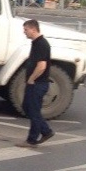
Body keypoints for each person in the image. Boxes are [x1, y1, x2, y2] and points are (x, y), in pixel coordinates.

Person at [16, 19, 55, 147]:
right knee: (28, 108)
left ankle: (32, 140)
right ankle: (46, 131)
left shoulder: (41, 44)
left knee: (33, 110)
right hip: (35, 83)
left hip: (37, 84)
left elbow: (42, 66)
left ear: (33, 29)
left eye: (26, 29)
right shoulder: (36, 43)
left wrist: (32, 79)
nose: (24, 32)